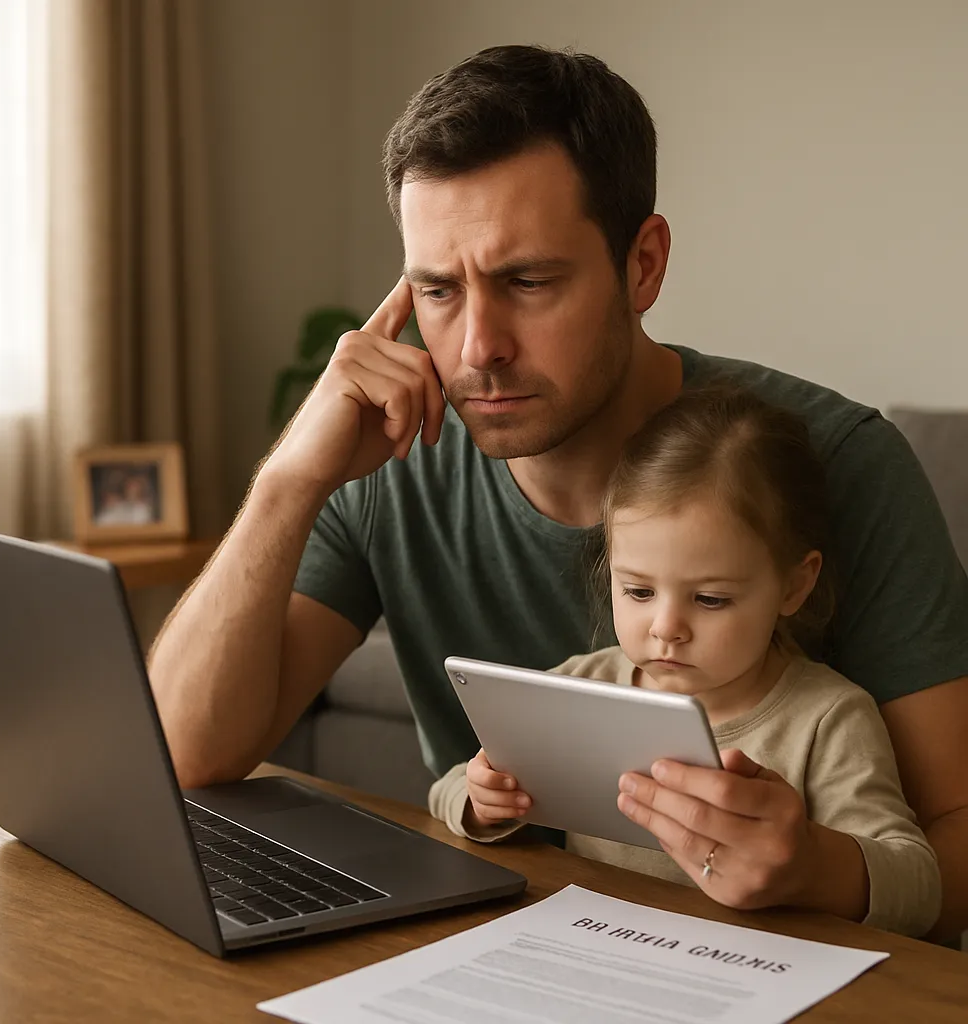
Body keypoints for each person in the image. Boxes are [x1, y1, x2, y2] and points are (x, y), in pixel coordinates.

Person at [148, 45, 968, 940]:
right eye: (439, 291)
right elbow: (185, 759)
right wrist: (285, 482)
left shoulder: (838, 464)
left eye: (527, 281)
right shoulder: (386, 460)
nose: (476, 348)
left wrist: (823, 868)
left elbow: (952, 841)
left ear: (643, 265)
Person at [430, 387, 940, 937]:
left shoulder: (826, 718)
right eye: (638, 592)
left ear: (795, 585)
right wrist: (483, 803)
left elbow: (918, 885)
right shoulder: (588, 687)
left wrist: (810, 864)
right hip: (594, 949)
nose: (666, 628)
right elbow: (447, 789)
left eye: (711, 599)